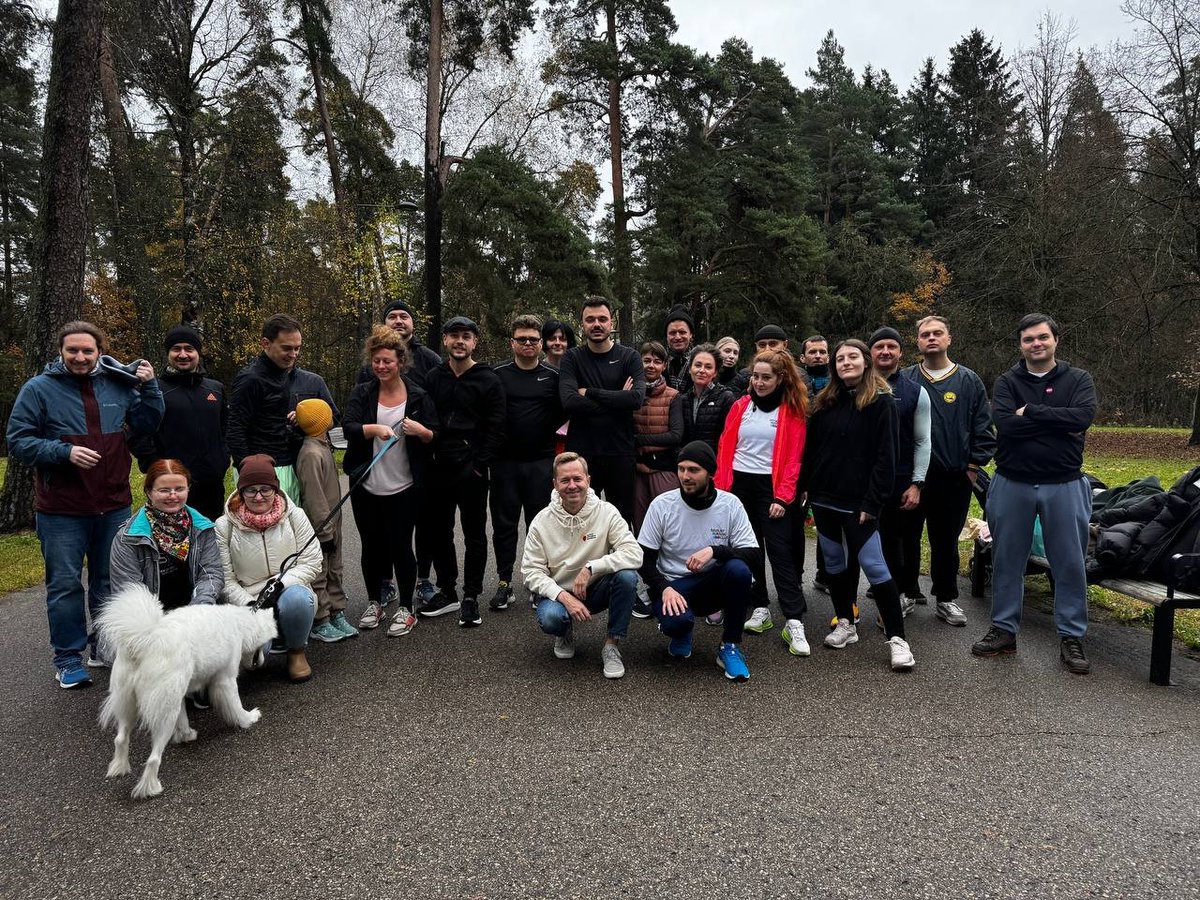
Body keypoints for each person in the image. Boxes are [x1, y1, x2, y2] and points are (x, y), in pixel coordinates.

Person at [6, 321, 164, 687]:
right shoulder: (39, 389)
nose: (80, 356)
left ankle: (103, 647)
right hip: (61, 508)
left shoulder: (117, 383)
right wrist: (64, 452)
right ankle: (67, 658)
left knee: (109, 582)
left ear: (98, 352)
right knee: (64, 585)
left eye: (87, 351)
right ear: (61, 352)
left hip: (112, 503)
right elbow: (18, 440)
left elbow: (146, 424)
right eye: (72, 350)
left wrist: (151, 386)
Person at [972, 314, 1098, 674]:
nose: (1036, 344)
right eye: (1029, 340)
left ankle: (1071, 637)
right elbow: (1007, 427)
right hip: (1013, 482)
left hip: (1065, 483)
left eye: (1042, 337)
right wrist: (1058, 422)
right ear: (1021, 345)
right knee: (1007, 559)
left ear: (1056, 340)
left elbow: (1082, 418)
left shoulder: (1078, 379)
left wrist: (1035, 413)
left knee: (1069, 563)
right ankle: (1004, 630)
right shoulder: (1008, 381)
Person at [798, 339, 915, 672]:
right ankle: (846, 623)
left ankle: (898, 639)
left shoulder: (881, 403)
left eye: (852, 357)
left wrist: (873, 501)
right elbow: (813, 452)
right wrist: (805, 489)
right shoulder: (825, 403)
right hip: (824, 500)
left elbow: (886, 458)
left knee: (876, 568)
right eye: (840, 358)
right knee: (834, 564)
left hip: (859, 504)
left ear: (866, 362)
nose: (845, 362)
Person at [899, 315, 996, 627]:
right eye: (925, 334)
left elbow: (983, 427)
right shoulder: (906, 379)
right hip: (913, 477)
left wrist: (971, 468)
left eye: (937, 333)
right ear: (917, 341)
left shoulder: (969, 381)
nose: (931, 338)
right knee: (907, 537)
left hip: (954, 478)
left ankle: (946, 598)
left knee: (945, 541)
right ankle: (907, 592)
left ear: (949, 339)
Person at [638, 441, 761, 682]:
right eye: (681, 469)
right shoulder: (662, 505)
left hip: (712, 585)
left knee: (738, 570)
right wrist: (665, 588)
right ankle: (682, 632)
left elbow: (754, 555)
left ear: (710, 473)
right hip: (673, 587)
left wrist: (715, 551)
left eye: (693, 470)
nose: (685, 476)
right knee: (677, 623)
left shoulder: (730, 504)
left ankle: (730, 646)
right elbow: (644, 559)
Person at [344, 326, 437, 637]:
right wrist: (373, 430)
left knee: (400, 546)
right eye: (376, 362)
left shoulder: (419, 395)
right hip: (366, 485)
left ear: (401, 361)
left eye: (388, 361)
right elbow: (348, 427)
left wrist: (422, 432)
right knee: (371, 546)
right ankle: (375, 602)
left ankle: (406, 608)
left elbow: (434, 435)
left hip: (404, 486)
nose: (381, 367)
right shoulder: (363, 393)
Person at [715, 349, 810, 654]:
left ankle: (794, 620)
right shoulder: (741, 406)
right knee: (749, 550)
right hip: (739, 485)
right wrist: (721, 490)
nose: (758, 382)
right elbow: (724, 449)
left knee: (780, 552)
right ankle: (760, 607)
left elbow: (795, 459)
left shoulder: (792, 410)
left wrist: (783, 496)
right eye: (755, 376)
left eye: (766, 377)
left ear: (781, 378)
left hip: (773, 489)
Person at [522, 452, 643, 679]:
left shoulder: (607, 512)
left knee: (627, 577)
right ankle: (564, 630)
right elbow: (530, 571)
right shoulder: (541, 521)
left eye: (577, 479)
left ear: (588, 480)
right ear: (555, 484)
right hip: (559, 594)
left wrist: (591, 568)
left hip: (595, 589)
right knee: (551, 618)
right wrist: (563, 596)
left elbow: (635, 553)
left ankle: (611, 645)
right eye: (564, 480)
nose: (572, 485)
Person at [419, 316, 506, 627]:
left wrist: (481, 465)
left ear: (474, 342)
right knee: (439, 532)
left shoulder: (488, 379)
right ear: (445, 340)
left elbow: (496, 427)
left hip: (471, 468)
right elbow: (426, 419)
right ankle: (448, 590)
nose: (459, 341)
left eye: (466, 336)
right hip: (437, 466)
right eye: (454, 335)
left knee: (473, 534)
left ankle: (471, 596)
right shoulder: (433, 377)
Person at [214, 454, 320, 683]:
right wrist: (250, 604)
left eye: (266, 489)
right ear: (241, 492)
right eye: (251, 490)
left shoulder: (295, 515)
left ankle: (296, 652)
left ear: (275, 489)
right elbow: (226, 580)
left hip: (288, 587)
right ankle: (263, 645)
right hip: (250, 597)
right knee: (254, 664)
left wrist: (280, 583)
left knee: (298, 600)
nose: (259, 496)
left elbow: (312, 561)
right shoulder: (224, 527)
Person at [489, 315, 564, 611]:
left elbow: (563, 414)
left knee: (540, 526)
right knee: (504, 526)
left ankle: (538, 583)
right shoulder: (498, 376)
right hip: (505, 464)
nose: (528, 344)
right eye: (522, 339)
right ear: (512, 343)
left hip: (541, 463)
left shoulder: (552, 377)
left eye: (534, 339)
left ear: (541, 343)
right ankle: (505, 582)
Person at [227, 313, 338, 503]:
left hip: (287, 464)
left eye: (297, 348)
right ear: (265, 343)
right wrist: (250, 473)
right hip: (262, 472)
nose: (293, 355)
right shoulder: (250, 379)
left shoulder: (282, 373)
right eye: (287, 348)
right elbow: (235, 430)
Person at [558, 296, 646, 524]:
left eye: (602, 319)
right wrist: (619, 398)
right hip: (583, 455)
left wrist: (590, 392)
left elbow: (636, 399)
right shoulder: (572, 358)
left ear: (612, 322)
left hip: (620, 452)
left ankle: (621, 561)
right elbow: (569, 401)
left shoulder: (630, 357)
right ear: (582, 324)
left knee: (622, 520)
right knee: (581, 521)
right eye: (590, 319)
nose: (596, 324)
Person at [130, 324, 229, 521]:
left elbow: (226, 429)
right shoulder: (154, 390)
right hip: (171, 487)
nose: (183, 354)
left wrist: (222, 460)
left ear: (198, 353)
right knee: (170, 543)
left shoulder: (215, 389)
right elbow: (138, 434)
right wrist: (156, 468)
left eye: (189, 349)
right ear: (168, 353)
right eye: (176, 349)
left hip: (211, 485)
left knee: (209, 541)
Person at [867, 327, 931, 613]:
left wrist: (917, 483)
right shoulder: (855, 386)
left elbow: (923, 440)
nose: (885, 351)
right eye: (879, 346)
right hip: (863, 482)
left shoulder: (915, 391)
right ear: (870, 352)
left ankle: (901, 595)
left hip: (901, 481)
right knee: (862, 542)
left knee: (900, 543)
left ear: (900, 352)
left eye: (891, 346)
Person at [110, 459, 224, 610]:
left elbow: (211, 573)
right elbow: (127, 592)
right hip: (151, 620)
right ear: (149, 492)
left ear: (188, 489)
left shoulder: (203, 528)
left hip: (197, 614)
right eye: (164, 490)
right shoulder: (128, 538)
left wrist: (197, 611)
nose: (173, 495)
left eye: (179, 489)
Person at [293, 399, 357, 644]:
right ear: (321, 421)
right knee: (320, 571)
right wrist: (324, 532)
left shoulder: (323, 445)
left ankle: (336, 610)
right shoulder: (310, 453)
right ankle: (321, 620)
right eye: (328, 414)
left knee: (335, 568)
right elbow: (314, 498)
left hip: (334, 523)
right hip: (322, 527)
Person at [633, 342, 683, 533]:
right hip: (637, 469)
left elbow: (675, 435)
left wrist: (639, 439)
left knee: (669, 523)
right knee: (641, 526)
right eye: (646, 360)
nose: (651, 365)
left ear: (664, 365)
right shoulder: (630, 393)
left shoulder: (673, 396)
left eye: (656, 361)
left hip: (663, 468)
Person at [357, 299, 442, 388]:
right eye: (392, 317)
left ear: (413, 323)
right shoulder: (373, 361)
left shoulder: (430, 359)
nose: (398, 321)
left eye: (404, 317)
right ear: (384, 324)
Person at [680, 343, 734, 453]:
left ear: (715, 372)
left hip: (714, 462)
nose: (702, 370)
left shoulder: (725, 398)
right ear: (690, 369)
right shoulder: (683, 399)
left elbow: (730, 437)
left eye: (708, 367)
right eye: (698, 365)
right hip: (687, 461)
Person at [664, 305, 696, 391]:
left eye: (682, 332)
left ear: (690, 335)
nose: (677, 337)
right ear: (666, 336)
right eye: (672, 333)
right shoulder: (658, 363)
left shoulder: (700, 363)